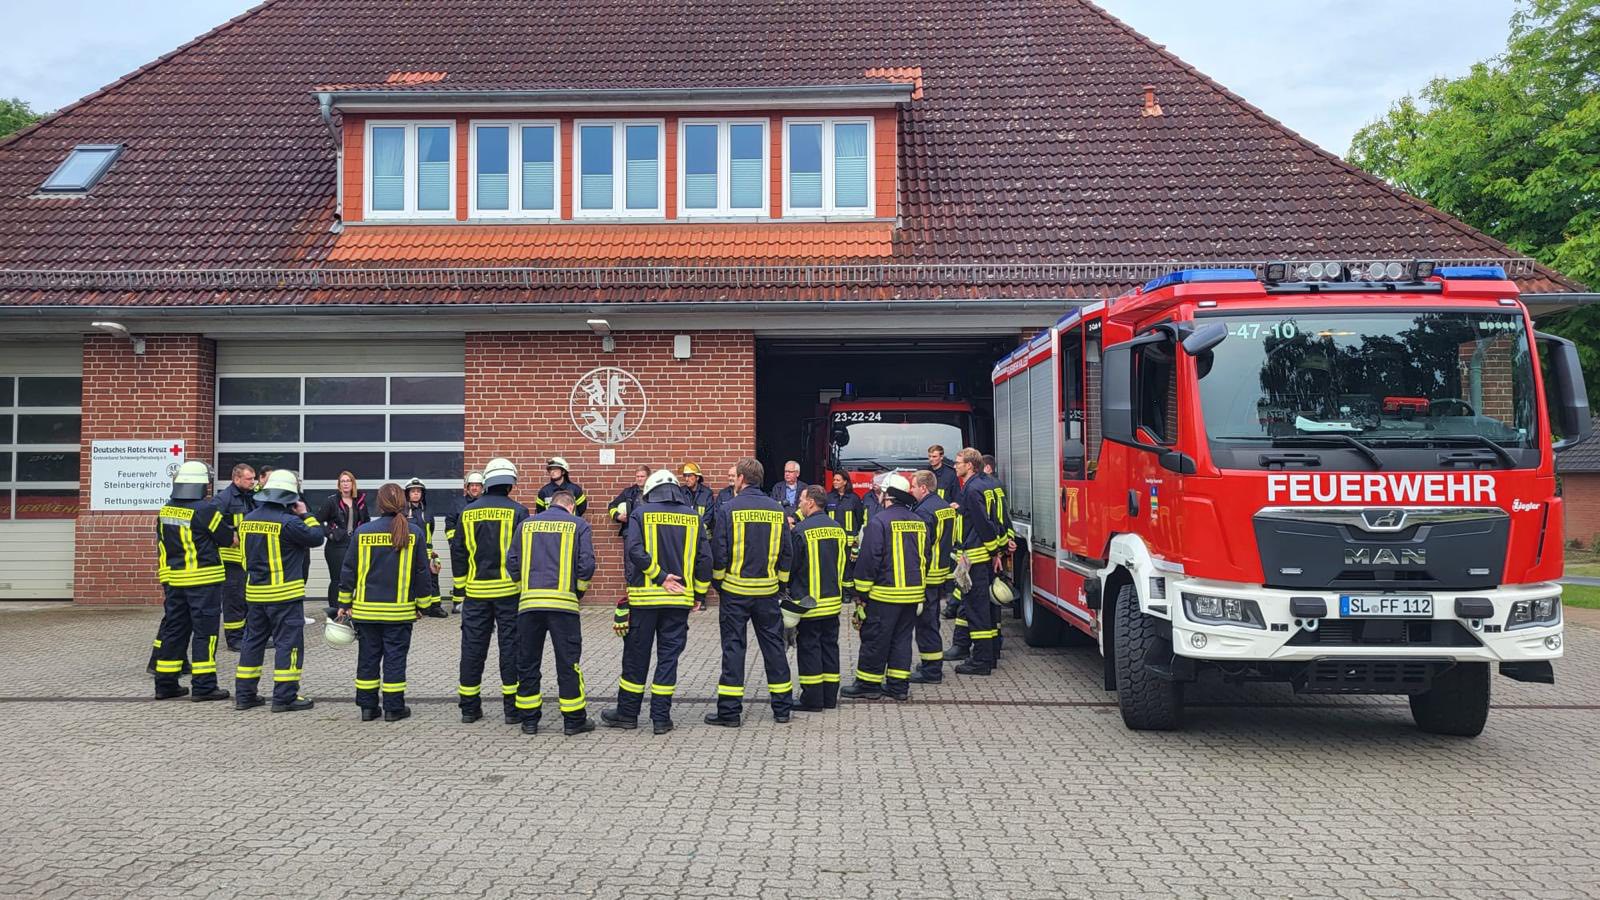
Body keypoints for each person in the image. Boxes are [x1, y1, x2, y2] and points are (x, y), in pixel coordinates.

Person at [601, 469, 711, 735]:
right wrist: (698, 594)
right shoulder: (693, 518)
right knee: (668, 659)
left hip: (644, 600)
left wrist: (659, 577)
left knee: (636, 657)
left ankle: (627, 714)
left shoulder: (640, 513)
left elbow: (634, 551)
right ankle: (661, 718)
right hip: (679, 600)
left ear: (650, 492)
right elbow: (705, 559)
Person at [333, 482, 436, 722]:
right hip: (399, 613)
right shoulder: (414, 533)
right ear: (403, 503)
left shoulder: (362, 532)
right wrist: (423, 606)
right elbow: (422, 573)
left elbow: (348, 571)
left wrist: (344, 604)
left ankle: (367, 708)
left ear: (379, 504)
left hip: (366, 612)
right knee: (395, 660)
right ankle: (393, 708)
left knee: (368, 659)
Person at [708, 456, 795, 726]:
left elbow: (719, 552)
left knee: (734, 648)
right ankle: (782, 708)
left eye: (735, 477)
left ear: (742, 479)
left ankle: (729, 712)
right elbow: (787, 553)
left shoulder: (728, 508)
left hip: (734, 593)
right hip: (768, 592)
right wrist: (780, 585)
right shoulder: (777, 510)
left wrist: (719, 583)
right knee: (774, 647)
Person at [507, 489, 596, 736]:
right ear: (571, 507)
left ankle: (529, 721)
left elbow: (512, 561)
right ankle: (573, 721)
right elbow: (587, 564)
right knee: (568, 663)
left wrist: (523, 588)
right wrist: (578, 591)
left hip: (529, 606)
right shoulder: (579, 525)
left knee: (527, 662)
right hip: (564, 607)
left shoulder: (525, 525)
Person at [235, 470, 325, 713]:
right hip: (284, 596)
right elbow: (317, 537)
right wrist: (306, 514)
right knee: (288, 645)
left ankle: (245, 695)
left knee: (252, 643)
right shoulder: (289, 522)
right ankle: (284, 697)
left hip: (255, 594)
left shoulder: (247, 520)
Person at [449, 458, 530, 725]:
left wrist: (460, 590)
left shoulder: (467, 512)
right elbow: (524, 554)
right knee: (511, 650)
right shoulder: (519, 512)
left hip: (475, 594)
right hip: (509, 593)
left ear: (486, 483)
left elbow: (458, 553)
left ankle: (469, 708)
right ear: (510, 483)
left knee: (472, 650)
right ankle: (512, 710)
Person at [151, 461, 234, 702]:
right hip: (204, 583)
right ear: (201, 485)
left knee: (173, 632)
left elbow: (162, 545)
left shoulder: (165, 510)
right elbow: (228, 539)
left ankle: (165, 684)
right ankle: (204, 686)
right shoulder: (206, 510)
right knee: (205, 634)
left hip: (175, 582)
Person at [843, 473, 927, 701]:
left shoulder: (879, 521)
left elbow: (870, 558)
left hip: (884, 595)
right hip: (912, 595)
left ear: (887, 495)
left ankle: (868, 685)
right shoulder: (919, 522)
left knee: (875, 639)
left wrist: (861, 592)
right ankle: (898, 687)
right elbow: (925, 556)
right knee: (902, 640)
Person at [942, 448, 1009, 675]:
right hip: (986, 557)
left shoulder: (971, 489)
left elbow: (982, 523)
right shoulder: (987, 484)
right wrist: (998, 551)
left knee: (976, 611)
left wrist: (993, 551)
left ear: (970, 465)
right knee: (986, 609)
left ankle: (981, 661)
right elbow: (996, 519)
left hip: (976, 558)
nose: (955, 466)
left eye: (958, 462)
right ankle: (990, 655)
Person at [789, 486, 847, 712]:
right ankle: (830, 697)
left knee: (809, 649)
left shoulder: (800, 531)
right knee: (830, 648)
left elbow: (792, 566)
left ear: (811, 502)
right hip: (833, 603)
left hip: (809, 604)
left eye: (802, 500)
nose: (799, 504)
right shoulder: (837, 529)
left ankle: (812, 699)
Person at [910, 470, 956, 684]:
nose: (911, 490)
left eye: (913, 486)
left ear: (923, 488)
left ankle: (931, 670)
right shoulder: (944, 506)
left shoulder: (924, 511)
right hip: (941, 572)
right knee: (932, 620)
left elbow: (922, 547)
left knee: (926, 624)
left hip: (927, 574)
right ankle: (932, 663)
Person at [214, 463, 256, 651]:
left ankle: (248, 636)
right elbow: (211, 522)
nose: (253, 482)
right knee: (234, 601)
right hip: (231, 560)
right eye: (249, 479)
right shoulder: (224, 498)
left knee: (248, 600)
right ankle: (234, 639)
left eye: (253, 478)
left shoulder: (252, 496)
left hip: (249, 558)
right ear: (236, 479)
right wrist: (229, 535)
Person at [317, 471, 370, 620]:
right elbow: (318, 521)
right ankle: (335, 612)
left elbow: (366, 521)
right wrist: (330, 534)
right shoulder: (331, 501)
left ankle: (350, 610)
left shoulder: (360, 501)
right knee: (337, 580)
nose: (345, 483)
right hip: (336, 547)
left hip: (355, 544)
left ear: (353, 483)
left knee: (353, 578)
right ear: (339, 485)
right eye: (343, 481)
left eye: (348, 481)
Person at [403, 478, 443, 610]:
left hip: (426, 552)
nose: (416, 493)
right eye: (413, 491)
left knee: (431, 577)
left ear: (422, 494)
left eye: (418, 491)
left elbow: (431, 529)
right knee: (410, 578)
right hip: (409, 551)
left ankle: (435, 607)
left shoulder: (428, 510)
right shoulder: (403, 512)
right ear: (407, 494)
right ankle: (413, 607)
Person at [606, 466, 650, 536]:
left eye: (642, 476)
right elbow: (612, 506)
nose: (639, 479)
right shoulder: (628, 492)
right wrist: (618, 516)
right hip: (630, 530)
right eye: (637, 476)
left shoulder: (654, 493)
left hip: (649, 529)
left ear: (648, 478)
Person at [680, 462, 715, 531]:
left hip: (702, 534)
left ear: (697, 477)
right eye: (685, 476)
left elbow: (709, 515)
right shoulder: (681, 492)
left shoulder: (707, 493)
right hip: (685, 532)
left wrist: (699, 530)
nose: (686, 479)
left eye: (689, 476)